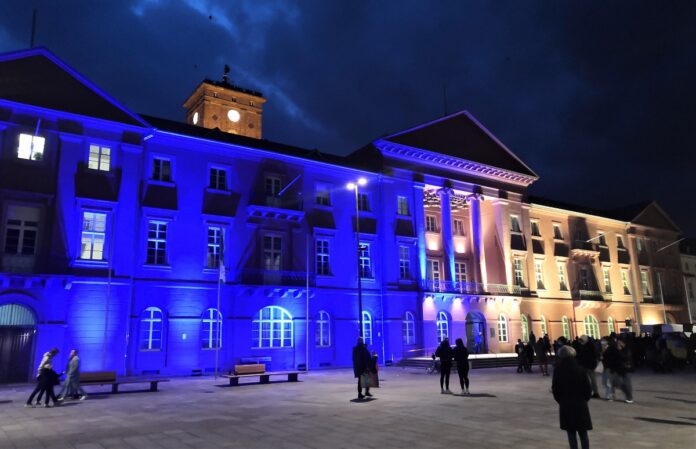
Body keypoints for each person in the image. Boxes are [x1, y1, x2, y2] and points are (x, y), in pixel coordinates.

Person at [552, 345, 592, 449]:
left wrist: (561, 400)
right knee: (583, 433)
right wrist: (584, 399)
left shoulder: (558, 370)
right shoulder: (580, 369)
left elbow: (555, 389)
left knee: (571, 433)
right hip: (580, 404)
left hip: (566, 404)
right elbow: (588, 388)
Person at [603, 339, 633, 403]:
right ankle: (625, 396)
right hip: (617, 369)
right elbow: (610, 358)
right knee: (618, 383)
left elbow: (626, 358)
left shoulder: (626, 349)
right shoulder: (614, 349)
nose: (619, 344)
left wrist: (619, 351)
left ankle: (629, 397)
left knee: (625, 384)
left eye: (620, 342)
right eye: (618, 342)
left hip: (625, 369)